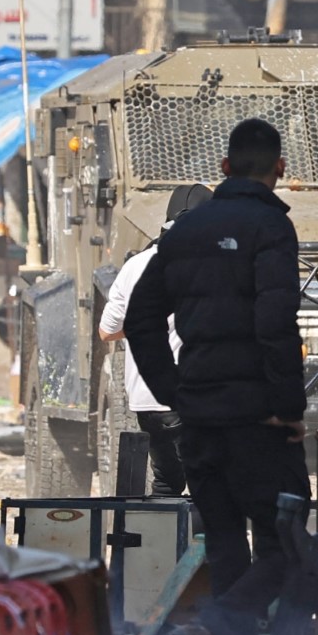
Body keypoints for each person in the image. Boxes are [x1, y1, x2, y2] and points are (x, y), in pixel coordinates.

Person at [124, 118, 309, 635]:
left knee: (226, 543)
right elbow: (276, 322)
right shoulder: (272, 228)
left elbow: (141, 320)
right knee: (287, 544)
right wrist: (288, 407)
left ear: (225, 168)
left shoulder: (182, 232)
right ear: (279, 168)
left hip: (200, 417)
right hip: (259, 421)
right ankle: (232, 625)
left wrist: (175, 392)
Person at [97, 184, 212, 497]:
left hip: (149, 403)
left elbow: (107, 331)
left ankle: (162, 545)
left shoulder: (135, 265)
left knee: (166, 486)